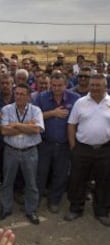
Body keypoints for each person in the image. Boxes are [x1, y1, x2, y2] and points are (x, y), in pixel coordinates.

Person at [64, 74, 110, 226]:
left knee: (104, 181)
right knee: (78, 179)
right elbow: (71, 124)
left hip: (105, 149)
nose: (95, 88)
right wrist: (73, 147)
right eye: (93, 85)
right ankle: (76, 208)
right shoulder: (80, 102)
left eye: (98, 85)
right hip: (82, 149)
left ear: (105, 86)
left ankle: (102, 211)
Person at [0, 83, 44, 224]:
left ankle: (31, 211)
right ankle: (6, 208)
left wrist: (16, 125)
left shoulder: (36, 110)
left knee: (31, 183)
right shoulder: (6, 109)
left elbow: (37, 129)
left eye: (22, 94)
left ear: (28, 96)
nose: (18, 96)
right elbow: (4, 131)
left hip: (29, 152)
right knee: (7, 182)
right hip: (11, 151)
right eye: (16, 94)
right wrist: (27, 126)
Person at [34, 73, 79, 213]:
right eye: (53, 85)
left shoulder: (75, 99)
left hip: (64, 145)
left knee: (60, 175)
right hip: (45, 143)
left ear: (66, 85)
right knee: (40, 174)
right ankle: (35, 200)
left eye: (59, 85)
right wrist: (52, 113)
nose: (56, 88)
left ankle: (54, 201)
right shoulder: (41, 98)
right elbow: (32, 117)